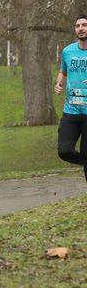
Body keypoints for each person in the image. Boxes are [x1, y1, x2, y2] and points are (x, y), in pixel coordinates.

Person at [55, 14, 87, 182]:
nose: (80, 28)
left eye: (84, 25)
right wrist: (59, 82)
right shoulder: (68, 51)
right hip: (71, 110)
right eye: (77, 26)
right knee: (64, 150)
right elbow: (63, 71)